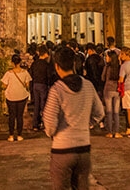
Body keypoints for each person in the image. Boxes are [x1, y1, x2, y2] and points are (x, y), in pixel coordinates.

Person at [43, 46, 103, 190]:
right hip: (83, 149)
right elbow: (100, 113)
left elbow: (50, 123)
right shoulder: (88, 86)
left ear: (57, 66)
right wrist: (85, 125)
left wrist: (53, 133)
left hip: (62, 149)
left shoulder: (57, 90)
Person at [2, 54, 31, 141]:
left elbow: (4, 85)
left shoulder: (8, 73)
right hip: (22, 96)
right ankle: (19, 135)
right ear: (20, 62)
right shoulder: (25, 72)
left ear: (12, 62)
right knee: (19, 116)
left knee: (12, 116)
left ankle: (11, 135)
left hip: (11, 96)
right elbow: (27, 85)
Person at [30, 46, 53, 131]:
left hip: (35, 84)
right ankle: (45, 123)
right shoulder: (46, 64)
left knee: (37, 105)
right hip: (43, 85)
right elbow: (49, 76)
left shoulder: (34, 64)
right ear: (45, 53)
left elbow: (31, 74)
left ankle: (35, 124)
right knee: (44, 105)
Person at [101, 48, 123, 137]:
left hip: (108, 89)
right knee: (116, 112)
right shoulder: (119, 67)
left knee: (109, 111)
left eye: (107, 56)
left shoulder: (107, 67)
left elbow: (102, 77)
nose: (106, 58)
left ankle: (110, 132)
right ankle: (117, 131)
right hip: (117, 90)